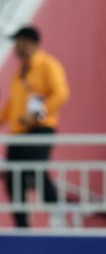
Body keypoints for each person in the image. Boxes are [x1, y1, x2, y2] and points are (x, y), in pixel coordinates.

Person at [0, 26, 69, 228]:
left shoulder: (48, 65)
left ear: (30, 43)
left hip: (40, 129)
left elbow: (60, 93)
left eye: (19, 41)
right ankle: (22, 225)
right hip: (18, 133)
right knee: (13, 178)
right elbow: (13, 103)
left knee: (36, 170)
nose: (16, 46)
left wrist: (37, 115)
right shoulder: (20, 70)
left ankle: (58, 212)